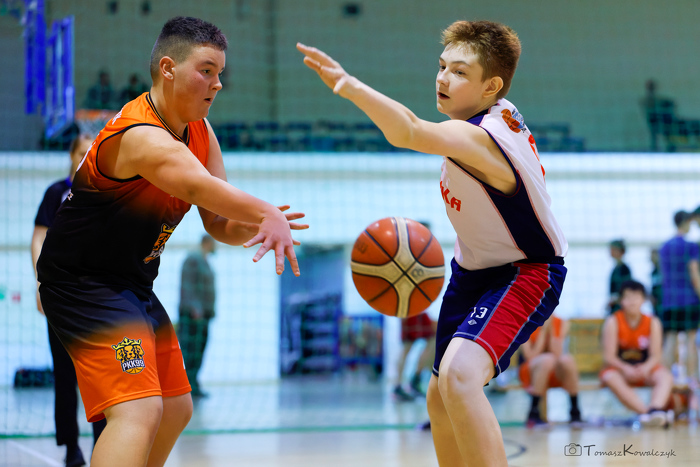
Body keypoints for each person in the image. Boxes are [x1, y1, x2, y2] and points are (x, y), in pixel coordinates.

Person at [37, 17, 307, 467]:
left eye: (220, 73)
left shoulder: (200, 131)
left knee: (176, 406)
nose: (217, 84)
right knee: (139, 410)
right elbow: (199, 188)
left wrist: (254, 226)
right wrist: (267, 212)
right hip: (83, 284)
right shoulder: (140, 135)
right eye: (207, 70)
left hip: (132, 285)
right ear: (168, 68)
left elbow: (217, 221)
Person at [299, 19, 567, 467]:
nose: (443, 78)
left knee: (459, 377)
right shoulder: (486, 117)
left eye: (460, 72)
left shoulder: (480, 137)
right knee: (440, 397)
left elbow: (407, 131)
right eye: (442, 66)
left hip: (526, 272)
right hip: (471, 274)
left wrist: (348, 86)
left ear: (491, 87)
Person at [31, 134, 107, 467]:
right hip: (61, 294)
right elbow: (38, 238)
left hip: (97, 298)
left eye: (90, 152)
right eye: (80, 152)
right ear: (71, 155)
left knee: (101, 377)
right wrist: (40, 283)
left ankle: (104, 444)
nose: (84, 157)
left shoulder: (106, 192)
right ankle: (71, 446)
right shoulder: (55, 193)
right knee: (65, 375)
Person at [599, 280, 674, 427]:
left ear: (643, 300)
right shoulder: (613, 321)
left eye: (636, 297)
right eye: (628, 297)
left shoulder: (653, 322)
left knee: (665, 376)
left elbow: (656, 355)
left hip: (645, 369)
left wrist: (645, 368)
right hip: (620, 370)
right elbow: (609, 357)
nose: (632, 301)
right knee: (610, 377)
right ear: (621, 301)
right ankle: (647, 413)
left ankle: (655, 409)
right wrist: (626, 369)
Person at [658, 210, 700, 386]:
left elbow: (663, 275)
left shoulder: (663, 247)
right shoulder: (691, 246)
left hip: (669, 301)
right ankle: (693, 381)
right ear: (687, 223)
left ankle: (664, 380)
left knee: (670, 340)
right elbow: (694, 274)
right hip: (689, 300)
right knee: (690, 340)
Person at [518, 314, 582, 427]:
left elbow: (557, 353)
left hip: (552, 370)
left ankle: (575, 413)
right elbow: (530, 356)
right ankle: (533, 414)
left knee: (567, 360)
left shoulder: (561, 323)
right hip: (530, 370)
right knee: (547, 360)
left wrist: (551, 329)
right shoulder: (525, 322)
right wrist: (543, 332)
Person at [179, 234, 217, 398]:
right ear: (207, 242)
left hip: (203, 315)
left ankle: (193, 383)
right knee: (191, 351)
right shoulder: (193, 259)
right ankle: (188, 385)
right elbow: (187, 286)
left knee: (199, 350)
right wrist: (195, 309)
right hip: (194, 316)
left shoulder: (204, 260)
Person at [393, 313, 436, 401]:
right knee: (407, 346)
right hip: (412, 311)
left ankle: (413, 380)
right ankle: (404, 384)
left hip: (415, 311)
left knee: (432, 339)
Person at [608, 239, 632, 314]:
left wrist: (616, 300)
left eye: (613, 249)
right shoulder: (615, 269)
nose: (610, 252)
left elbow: (626, 290)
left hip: (621, 308)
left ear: (619, 251)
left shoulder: (624, 269)